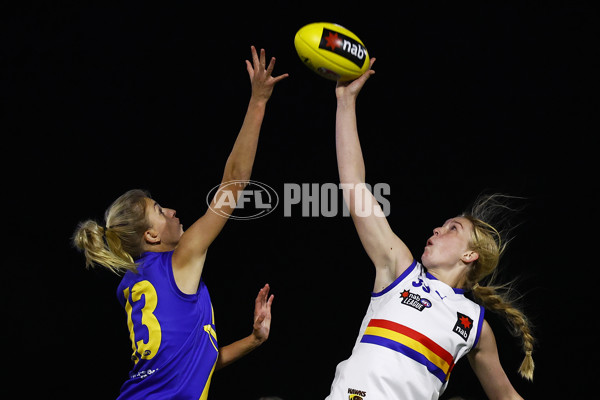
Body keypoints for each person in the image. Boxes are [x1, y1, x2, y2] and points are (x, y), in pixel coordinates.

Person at [73, 46, 287, 399]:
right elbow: (234, 183)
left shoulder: (135, 282)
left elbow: (195, 362)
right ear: (152, 235)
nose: (172, 211)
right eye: (159, 210)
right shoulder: (180, 260)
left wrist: (254, 340)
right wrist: (259, 100)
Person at [326, 58, 534, 400]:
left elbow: (506, 397)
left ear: (470, 255)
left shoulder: (474, 324)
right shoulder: (400, 271)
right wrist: (345, 103)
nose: (437, 229)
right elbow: (354, 187)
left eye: (452, 228)